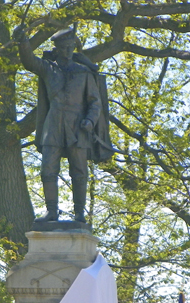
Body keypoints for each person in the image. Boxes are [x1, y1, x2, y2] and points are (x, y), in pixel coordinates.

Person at [16, 26, 114, 223]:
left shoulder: (83, 72)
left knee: (79, 171)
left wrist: (90, 120)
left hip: (78, 127)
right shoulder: (48, 68)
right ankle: (52, 211)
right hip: (53, 125)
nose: (68, 50)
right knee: (47, 170)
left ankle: (79, 213)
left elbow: (96, 103)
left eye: (71, 46)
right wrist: (22, 41)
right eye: (64, 47)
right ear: (57, 48)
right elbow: (29, 62)